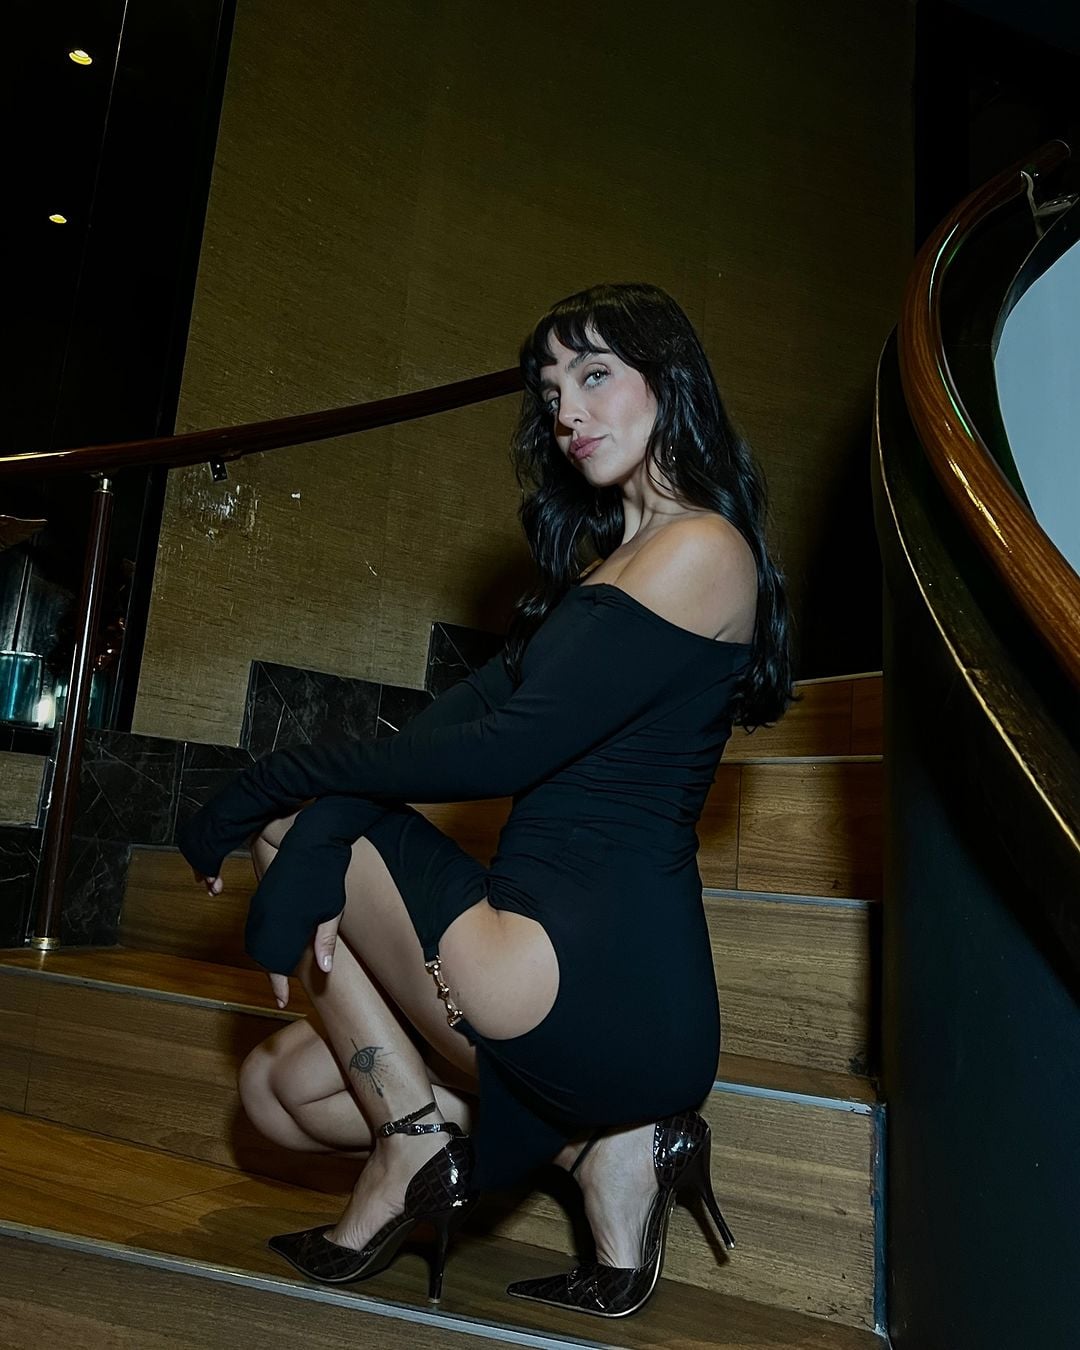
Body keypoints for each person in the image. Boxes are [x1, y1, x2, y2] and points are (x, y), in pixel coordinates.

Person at [177, 281, 795, 1318]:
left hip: (591, 978)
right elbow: (429, 742)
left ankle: (413, 1150)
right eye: (552, 392)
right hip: (549, 989)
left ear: (670, 382)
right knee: (278, 1094)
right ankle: (605, 1152)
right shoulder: (604, 576)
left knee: (291, 823)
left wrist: (271, 796)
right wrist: (321, 829)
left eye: (595, 375)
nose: (567, 411)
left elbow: (501, 753)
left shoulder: (702, 548)